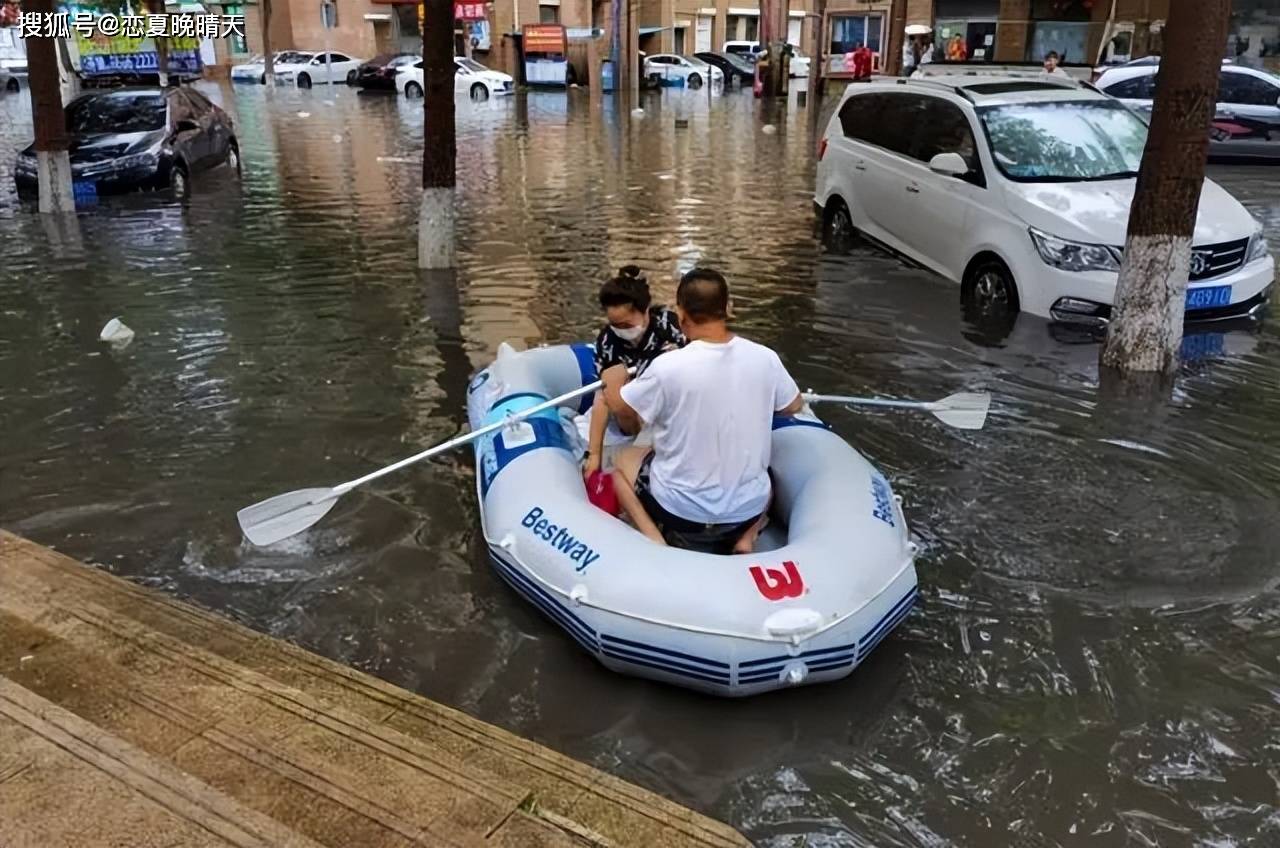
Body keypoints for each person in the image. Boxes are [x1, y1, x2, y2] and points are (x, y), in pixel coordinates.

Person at [602, 268, 804, 555]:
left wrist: (612, 382)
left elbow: (623, 407)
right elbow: (793, 405)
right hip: (745, 512)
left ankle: (654, 537)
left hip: (682, 516)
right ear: (728, 307)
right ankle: (746, 537)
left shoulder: (668, 367)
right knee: (765, 476)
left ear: (680, 313)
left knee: (618, 461)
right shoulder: (765, 358)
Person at [583, 266, 685, 480]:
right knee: (614, 394)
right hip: (632, 412)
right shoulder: (608, 343)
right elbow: (603, 398)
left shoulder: (669, 327)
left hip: (674, 401)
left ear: (646, 310)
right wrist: (594, 454)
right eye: (615, 325)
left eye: (627, 324)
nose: (621, 330)